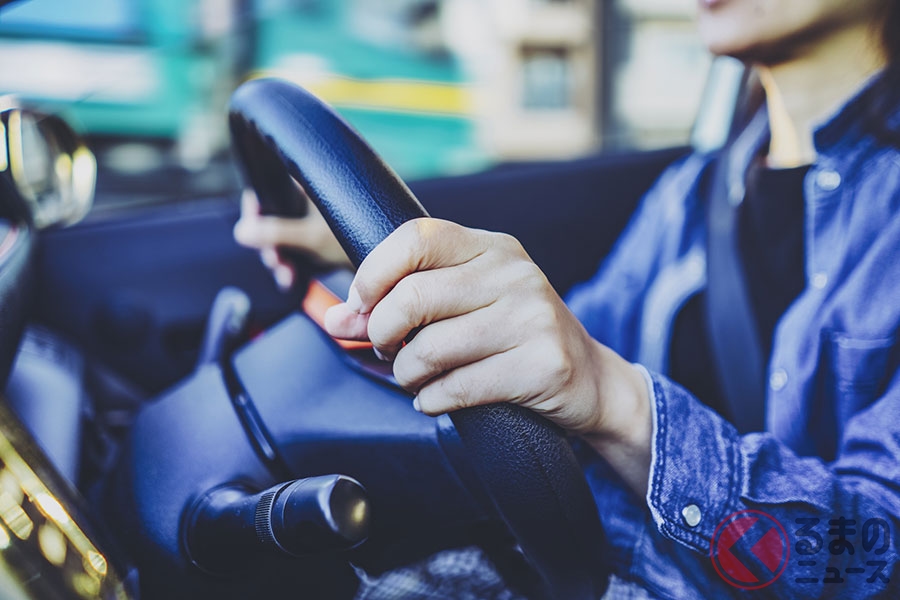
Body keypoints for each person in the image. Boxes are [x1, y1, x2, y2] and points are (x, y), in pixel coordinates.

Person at [234, 0, 900, 596]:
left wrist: (615, 399)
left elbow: (881, 556)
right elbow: (568, 351)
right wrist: (355, 256)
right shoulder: (692, 194)